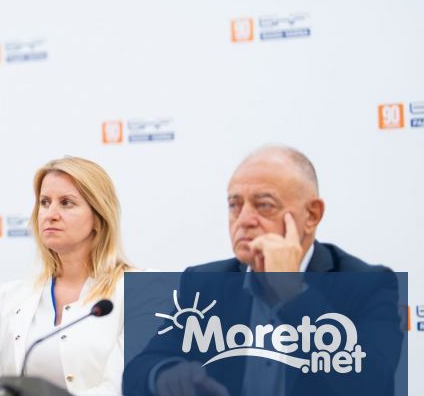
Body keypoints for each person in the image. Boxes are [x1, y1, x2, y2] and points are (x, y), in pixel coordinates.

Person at [123, 144, 400, 396]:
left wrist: (292, 293)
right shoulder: (204, 284)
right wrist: (166, 374)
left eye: (264, 205)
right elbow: (139, 371)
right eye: (234, 205)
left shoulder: (367, 284)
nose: (243, 220)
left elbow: (374, 382)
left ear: (312, 215)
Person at [0, 156, 133, 394]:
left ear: (98, 217)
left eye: (66, 203)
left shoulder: (138, 291)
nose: (50, 214)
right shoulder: (9, 296)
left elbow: (121, 389)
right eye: (44, 202)